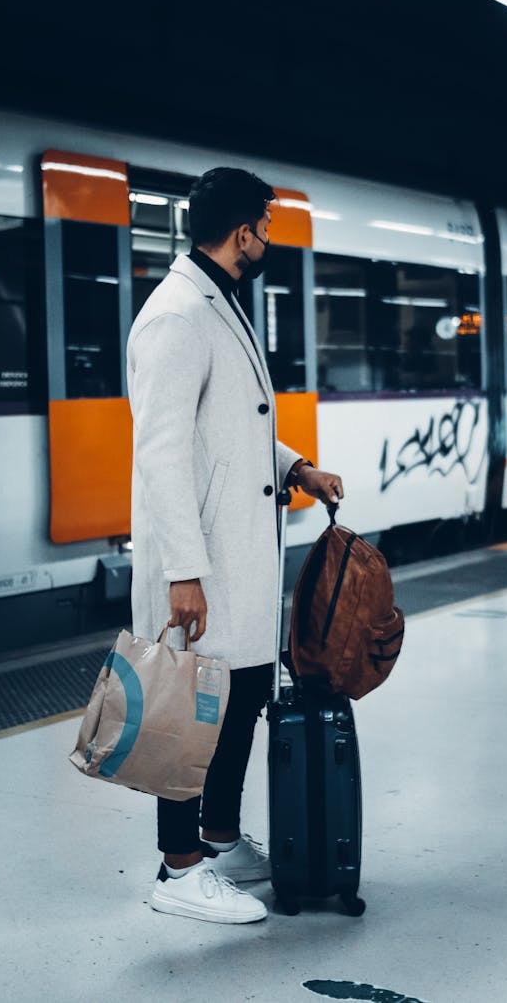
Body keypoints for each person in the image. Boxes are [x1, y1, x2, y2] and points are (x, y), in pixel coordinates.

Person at [126, 167, 344, 924]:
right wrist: (183, 569)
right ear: (243, 230)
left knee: (242, 693)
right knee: (192, 708)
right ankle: (177, 867)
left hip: (237, 560)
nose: (269, 240)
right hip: (203, 562)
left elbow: (231, 426)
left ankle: (217, 838)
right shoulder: (177, 315)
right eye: (266, 226)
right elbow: (161, 450)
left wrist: (297, 468)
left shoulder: (217, 300)